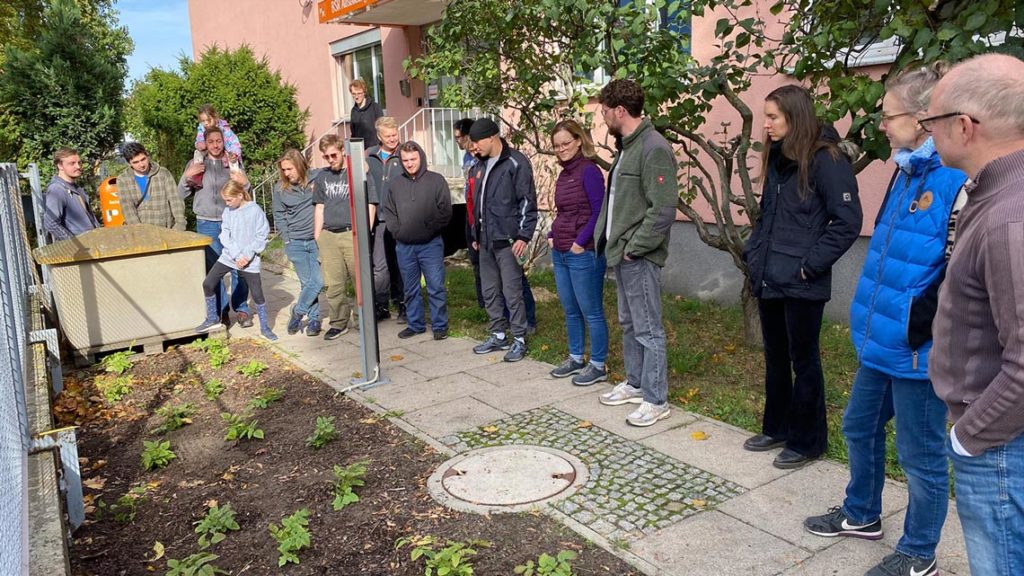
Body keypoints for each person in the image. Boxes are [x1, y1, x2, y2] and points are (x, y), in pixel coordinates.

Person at [804, 64, 965, 576]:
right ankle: (862, 514)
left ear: (923, 118)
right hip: (884, 339)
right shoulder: (907, 168)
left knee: (920, 456)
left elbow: (960, 269)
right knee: (859, 426)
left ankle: (920, 553)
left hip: (918, 347)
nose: (881, 123)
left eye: (889, 114)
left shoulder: (955, 177)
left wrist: (925, 326)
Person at [927, 53, 1024, 576]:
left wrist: (969, 437)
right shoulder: (999, 193)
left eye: (932, 122)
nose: (928, 133)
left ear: (964, 127)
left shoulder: (1010, 215)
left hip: (1002, 446)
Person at [742, 85, 862, 468]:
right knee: (775, 355)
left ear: (795, 117)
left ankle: (807, 441)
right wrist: (754, 254)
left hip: (802, 279)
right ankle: (776, 426)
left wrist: (810, 265)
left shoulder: (826, 159)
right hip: (770, 274)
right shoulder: (779, 156)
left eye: (773, 117)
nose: (767, 124)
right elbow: (769, 215)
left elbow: (847, 222)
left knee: (803, 359)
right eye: (766, 116)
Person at [592, 79, 678, 427]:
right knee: (629, 323)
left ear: (620, 111)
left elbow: (663, 209)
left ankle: (656, 400)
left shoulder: (653, 148)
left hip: (638, 257)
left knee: (648, 328)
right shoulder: (627, 145)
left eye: (604, 111)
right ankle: (636, 382)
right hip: (621, 254)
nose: (603, 116)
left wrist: (634, 248)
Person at [457, 118, 539, 330]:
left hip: (508, 239)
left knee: (513, 292)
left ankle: (521, 333)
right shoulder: (479, 164)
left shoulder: (515, 162)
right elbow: (477, 202)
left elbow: (527, 200)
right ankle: (498, 334)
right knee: (490, 291)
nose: (473, 147)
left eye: (477, 142)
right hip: (485, 240)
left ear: (492, 138)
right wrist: (475, 234)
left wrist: (523, 235)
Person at [547, 120, 609, 387]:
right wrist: (551, 234)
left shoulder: (589, 171)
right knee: (570, 309)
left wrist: (580, 242)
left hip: (582, 252)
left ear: (579, 140)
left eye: (566, 143)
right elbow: (563, 212)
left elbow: (598, 213)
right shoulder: (564, 174)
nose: (561, 149)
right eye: (557, 145)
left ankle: (598, 364)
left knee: (591, 311)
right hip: (561, 250)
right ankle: (575, 357)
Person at [178, 126, 251, 326]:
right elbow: (181, 194)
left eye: (219, 141)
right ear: (205, 143)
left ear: (224, 142)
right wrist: (187, 176)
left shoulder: (232, 162)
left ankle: (242, 309)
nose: (216, 145)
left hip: (233, 222)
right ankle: (221, 311)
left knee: (240, 267)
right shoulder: (196, 163)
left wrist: (244, 182)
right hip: (207, 223)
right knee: (214, 270)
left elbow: (246, 191)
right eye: (211, 142)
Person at [312, 134, 378, 340]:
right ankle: (339, 322)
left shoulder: (358, 172)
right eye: (326, 156)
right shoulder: (322, 177)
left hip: (352, 233)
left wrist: (365, 232)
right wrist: (318, 235)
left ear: (342, 151)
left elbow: (371, 203)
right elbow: (320, 206)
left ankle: (364, 320)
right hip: (329, 235)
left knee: (360, 280)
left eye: (333, 155)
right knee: (333, 283)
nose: (330, 160)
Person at [383, 142, 452, 340]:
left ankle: (440, 325)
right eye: (405, 160)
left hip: (430, 244)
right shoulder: (396, 184)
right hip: (404, 245)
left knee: (436, 286)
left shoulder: (436, 181)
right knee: (410, 288)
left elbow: (445, 211)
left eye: (413, 159)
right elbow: (389, 211)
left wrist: (429, 230)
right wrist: (398, 231)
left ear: (420, 157)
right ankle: (416, 324)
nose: (409, 164)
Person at [194, 179, 276, 341]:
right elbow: (224, 234)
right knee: (208, 283)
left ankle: (265, 327)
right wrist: (237, 255)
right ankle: (212, 318)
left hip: (250, 259)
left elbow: (262, 234)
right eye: (225, 200)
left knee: (257, 294)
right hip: (230, 256)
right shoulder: (228, 211)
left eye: (229, 200)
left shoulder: (255, 211)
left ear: (240, 195)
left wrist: (247, 255)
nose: (227, 203)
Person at [273, 149, 323, 337]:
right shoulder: (280, 189)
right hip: (295, 241)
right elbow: (278, 215)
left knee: (318, 281)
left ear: (300, 166)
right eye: (284, 170)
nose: (287, 173)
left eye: (290, 169)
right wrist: (287, 239)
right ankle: (314, 320)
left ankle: (298, 312)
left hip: (316, 239)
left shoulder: (317, 177)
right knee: (307, 282)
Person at [366, 116, 406, 323]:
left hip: (399, 218)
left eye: (394, 135)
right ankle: (381, 305)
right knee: (380, 266)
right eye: (388, 136)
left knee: (401, 263)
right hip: (378, 220)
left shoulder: (405, 154)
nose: (392, 139)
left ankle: (403, 303)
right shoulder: (369, 156)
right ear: (379, 136)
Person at [118, 142, 186, 230]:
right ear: (129, 163)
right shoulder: (123, 179)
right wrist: (139, 230)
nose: (141, 165)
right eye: (136, 162)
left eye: (143, 159)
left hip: (165, 228)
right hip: (140, 230)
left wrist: (180, 223)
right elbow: (127, 208)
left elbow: (175, 199)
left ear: (148, 156)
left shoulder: (163, 173)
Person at [43, 147, 100, 241]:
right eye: (72, 163)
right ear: (60, 166)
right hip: (78, 250)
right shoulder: (57, 189)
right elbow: (51, 223)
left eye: (79, 163)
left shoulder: (77, 188)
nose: (78, 166)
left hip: (92, 244)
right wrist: (73, 243)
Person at [349, 79, 383, 149]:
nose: (356, 96)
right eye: (354, 94)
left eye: (359, 93)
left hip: (376, 148)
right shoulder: (353, 111)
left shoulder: (375, 107)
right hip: (360, 149)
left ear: (364, 92)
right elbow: (354, 134)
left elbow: (382, 128)